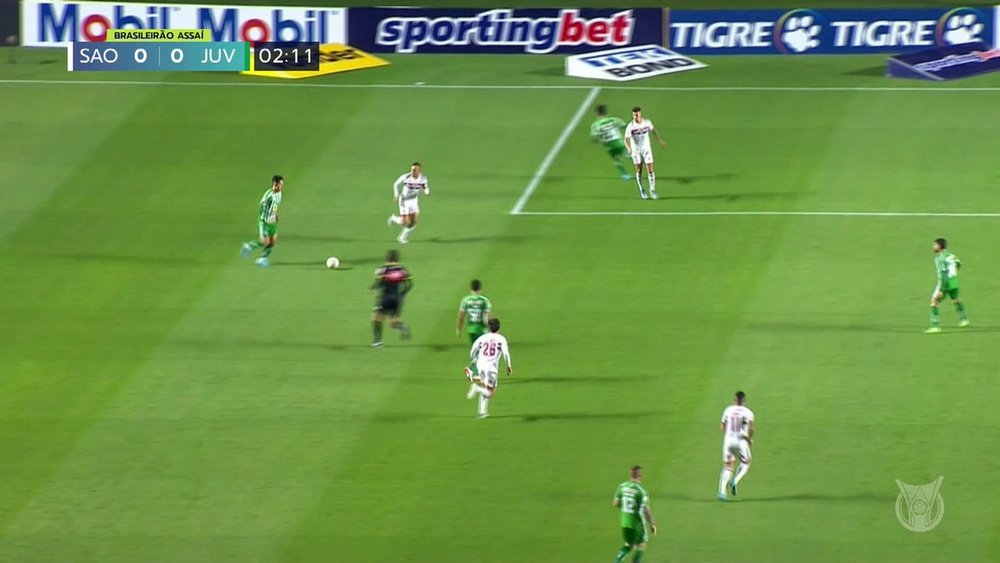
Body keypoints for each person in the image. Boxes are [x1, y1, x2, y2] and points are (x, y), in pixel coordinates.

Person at [465, 318, 511, 419]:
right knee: (491, 392)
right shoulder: (501, 339)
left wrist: (473, 360)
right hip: (491, 367)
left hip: (481, 364)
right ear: (498, 327)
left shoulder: (482, 338)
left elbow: (473, 349)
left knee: (485, 386)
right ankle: (475, 388)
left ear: (488, 327)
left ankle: (482, 412)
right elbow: (506, 353)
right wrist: (508, 366)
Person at [613, 465, 657, 563]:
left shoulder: (622, 486)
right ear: (640, 476)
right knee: (641, 544)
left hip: (625, 522)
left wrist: (625, 507)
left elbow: (615, 504)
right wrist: (652, 524)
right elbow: (646, 510)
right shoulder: (641, 491)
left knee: (628, 545)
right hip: (637, 524)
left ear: (630, 475)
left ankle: (617, 561)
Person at [926, 238, 969, 333]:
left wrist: (941, 289)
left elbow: (943, 274)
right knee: (956, 300)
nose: (933, 247)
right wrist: (954, 274)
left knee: (934, 302)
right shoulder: (951, 255)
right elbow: (958, 263)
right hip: (954, 282)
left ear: (939, 246)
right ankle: (964, 320)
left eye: (935, 245)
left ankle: (935, 326)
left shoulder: (939, 258)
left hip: (945, 283)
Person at [370, 249, 412, 347]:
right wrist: (402, 294)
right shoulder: (402, 270)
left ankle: (377, 341)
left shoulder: (383, 269)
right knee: (393, 322)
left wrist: (372, 288)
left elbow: (379, 283)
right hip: (397, 298)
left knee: (376, 318)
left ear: (387, 259)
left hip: (385, 297)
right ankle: (401, 326)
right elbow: (410, 284)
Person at [718, 391, 755, 501]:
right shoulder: (748, 412)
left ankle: (722, 492)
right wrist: (749, 440)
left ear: (735, 400)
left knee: (728, 466)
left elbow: (722, 426)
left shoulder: (728, 410)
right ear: (744, 401)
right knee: (746, 462)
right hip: (741, 442)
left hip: (728, 442)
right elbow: (752, 428)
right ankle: (735, 480)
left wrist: (728, 436)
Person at [623, 107, 666, 200]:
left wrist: (660, 140)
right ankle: (642, 189)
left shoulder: (647, 122)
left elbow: (653, 130)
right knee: (639, 170)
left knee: (650, 169)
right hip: (636, 151)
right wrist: (629, 148)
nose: (635, 116)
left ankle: (652, 189)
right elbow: (626, 139)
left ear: (640, 114)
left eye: (636, 114)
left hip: (647, 149)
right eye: (633, 114)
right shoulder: (630, 126)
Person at [241, 175, 283, 267]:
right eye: (280, 184)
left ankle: (262, 259)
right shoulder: (269, 195)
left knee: (273, 241)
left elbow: (274, 207)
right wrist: (263, 219)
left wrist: (275, 215)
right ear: (275, 184)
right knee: (265, 242)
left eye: (282, 184)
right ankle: (248, 246)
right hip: (264, 222)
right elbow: (262, 207)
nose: (281, 186)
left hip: (273, 222)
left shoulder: (280, 194)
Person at [387, 162, 429, 244]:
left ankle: (402, 237)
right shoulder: (406, 177)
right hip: (404, 200)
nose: (413, 171)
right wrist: (396, 195)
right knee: (405, 221)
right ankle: (394, 219)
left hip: (414, 201)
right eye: (412, 169)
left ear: (419, 170)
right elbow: (396, 184)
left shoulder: (423, 178)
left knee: (413, 222)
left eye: (414, 170)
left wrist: (426, 192)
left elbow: (425, 187)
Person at [590, 104, 631, 180]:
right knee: (628, 154)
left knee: (616, 159)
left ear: (597, 113)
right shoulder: (614, 120)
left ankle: (625, 175)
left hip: (609, 145)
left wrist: (598, 141)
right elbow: (625, 126)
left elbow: (595, 138)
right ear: (606, 112)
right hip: (619, 142)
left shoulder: (595, 125)